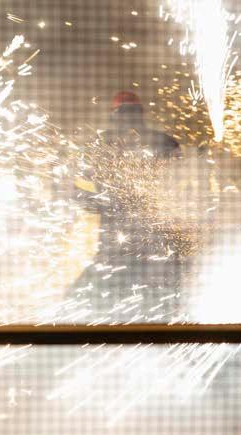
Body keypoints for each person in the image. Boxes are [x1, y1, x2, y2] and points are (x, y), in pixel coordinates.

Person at [69, 91, 184, 317]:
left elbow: (79, 192)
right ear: (141, 113)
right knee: (164, 300)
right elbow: (184, 188)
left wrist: (103, 203)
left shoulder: (99, 145)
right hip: (157, 240)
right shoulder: (167, 143)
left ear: (114, 114)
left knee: (97, 300)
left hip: (115, 243)